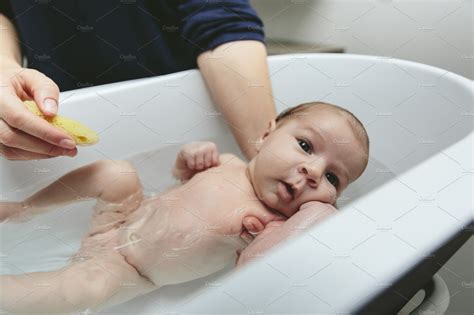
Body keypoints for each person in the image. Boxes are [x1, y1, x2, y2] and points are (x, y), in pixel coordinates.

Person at [0, 102, 370, 313]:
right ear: (265, 135)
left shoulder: (267, 226)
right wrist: (188, 160)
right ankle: (22, 208)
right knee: (118, 174)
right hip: (127, 216)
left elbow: (261, 269)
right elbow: (178, 181)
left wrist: (314, 218)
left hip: (131, 270)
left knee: (84, 287)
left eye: (334, 179)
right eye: (306, 146)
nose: (313, 172)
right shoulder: (227, 162)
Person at [0, 1, 275, 161]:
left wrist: (266, 161)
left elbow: (220, 19)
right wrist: (5, 69)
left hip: (187, 116)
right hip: (59, 122)